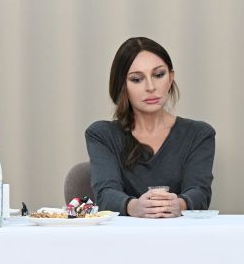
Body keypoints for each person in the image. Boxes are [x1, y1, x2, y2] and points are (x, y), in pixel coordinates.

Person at [86, 37, 215, 217]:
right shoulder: (101, 135)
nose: (151, 87)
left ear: (171, 78)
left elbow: (200, 193)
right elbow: (105, 194)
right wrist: (134, 207)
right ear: (122, 86)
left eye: (159, 75)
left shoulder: (199, 134)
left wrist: (179, 205)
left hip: (180, 232)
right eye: (137, 79)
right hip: (122, 234)